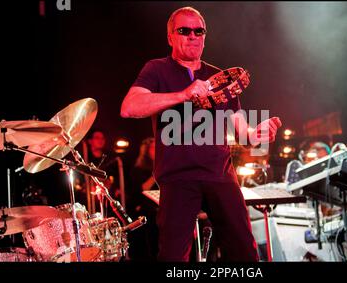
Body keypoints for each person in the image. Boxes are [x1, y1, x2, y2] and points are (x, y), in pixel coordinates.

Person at [120, 6, 282, 262]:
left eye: (199, 31)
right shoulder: (157, 69)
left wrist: (257, 134)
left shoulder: (220, 77)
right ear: (170, 37)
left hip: (220, 175)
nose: (193, 36)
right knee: (173, 258)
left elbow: (243, 132)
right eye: (184, 30)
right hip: (178, 179)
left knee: (245, 252)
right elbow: (129, 107)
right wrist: (184, 94)